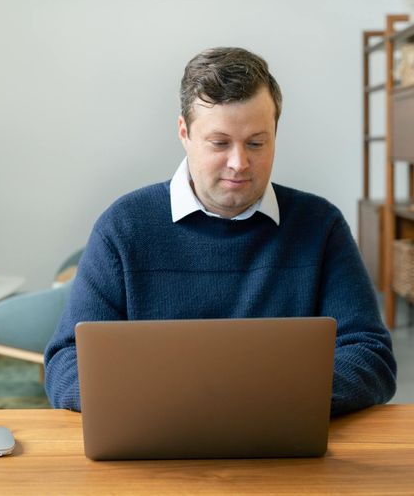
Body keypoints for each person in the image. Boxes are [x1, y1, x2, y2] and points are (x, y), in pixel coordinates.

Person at [44, 47, 397, 416]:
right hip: (156, 445)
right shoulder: (123, 227)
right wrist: (180, 403)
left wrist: (262, 400)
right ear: (184, 132)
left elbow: (371, 356)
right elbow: (66, 364)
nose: (239, 163)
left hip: (283, 448)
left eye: (257, 143)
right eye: (220, 143)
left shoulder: (321, 226)